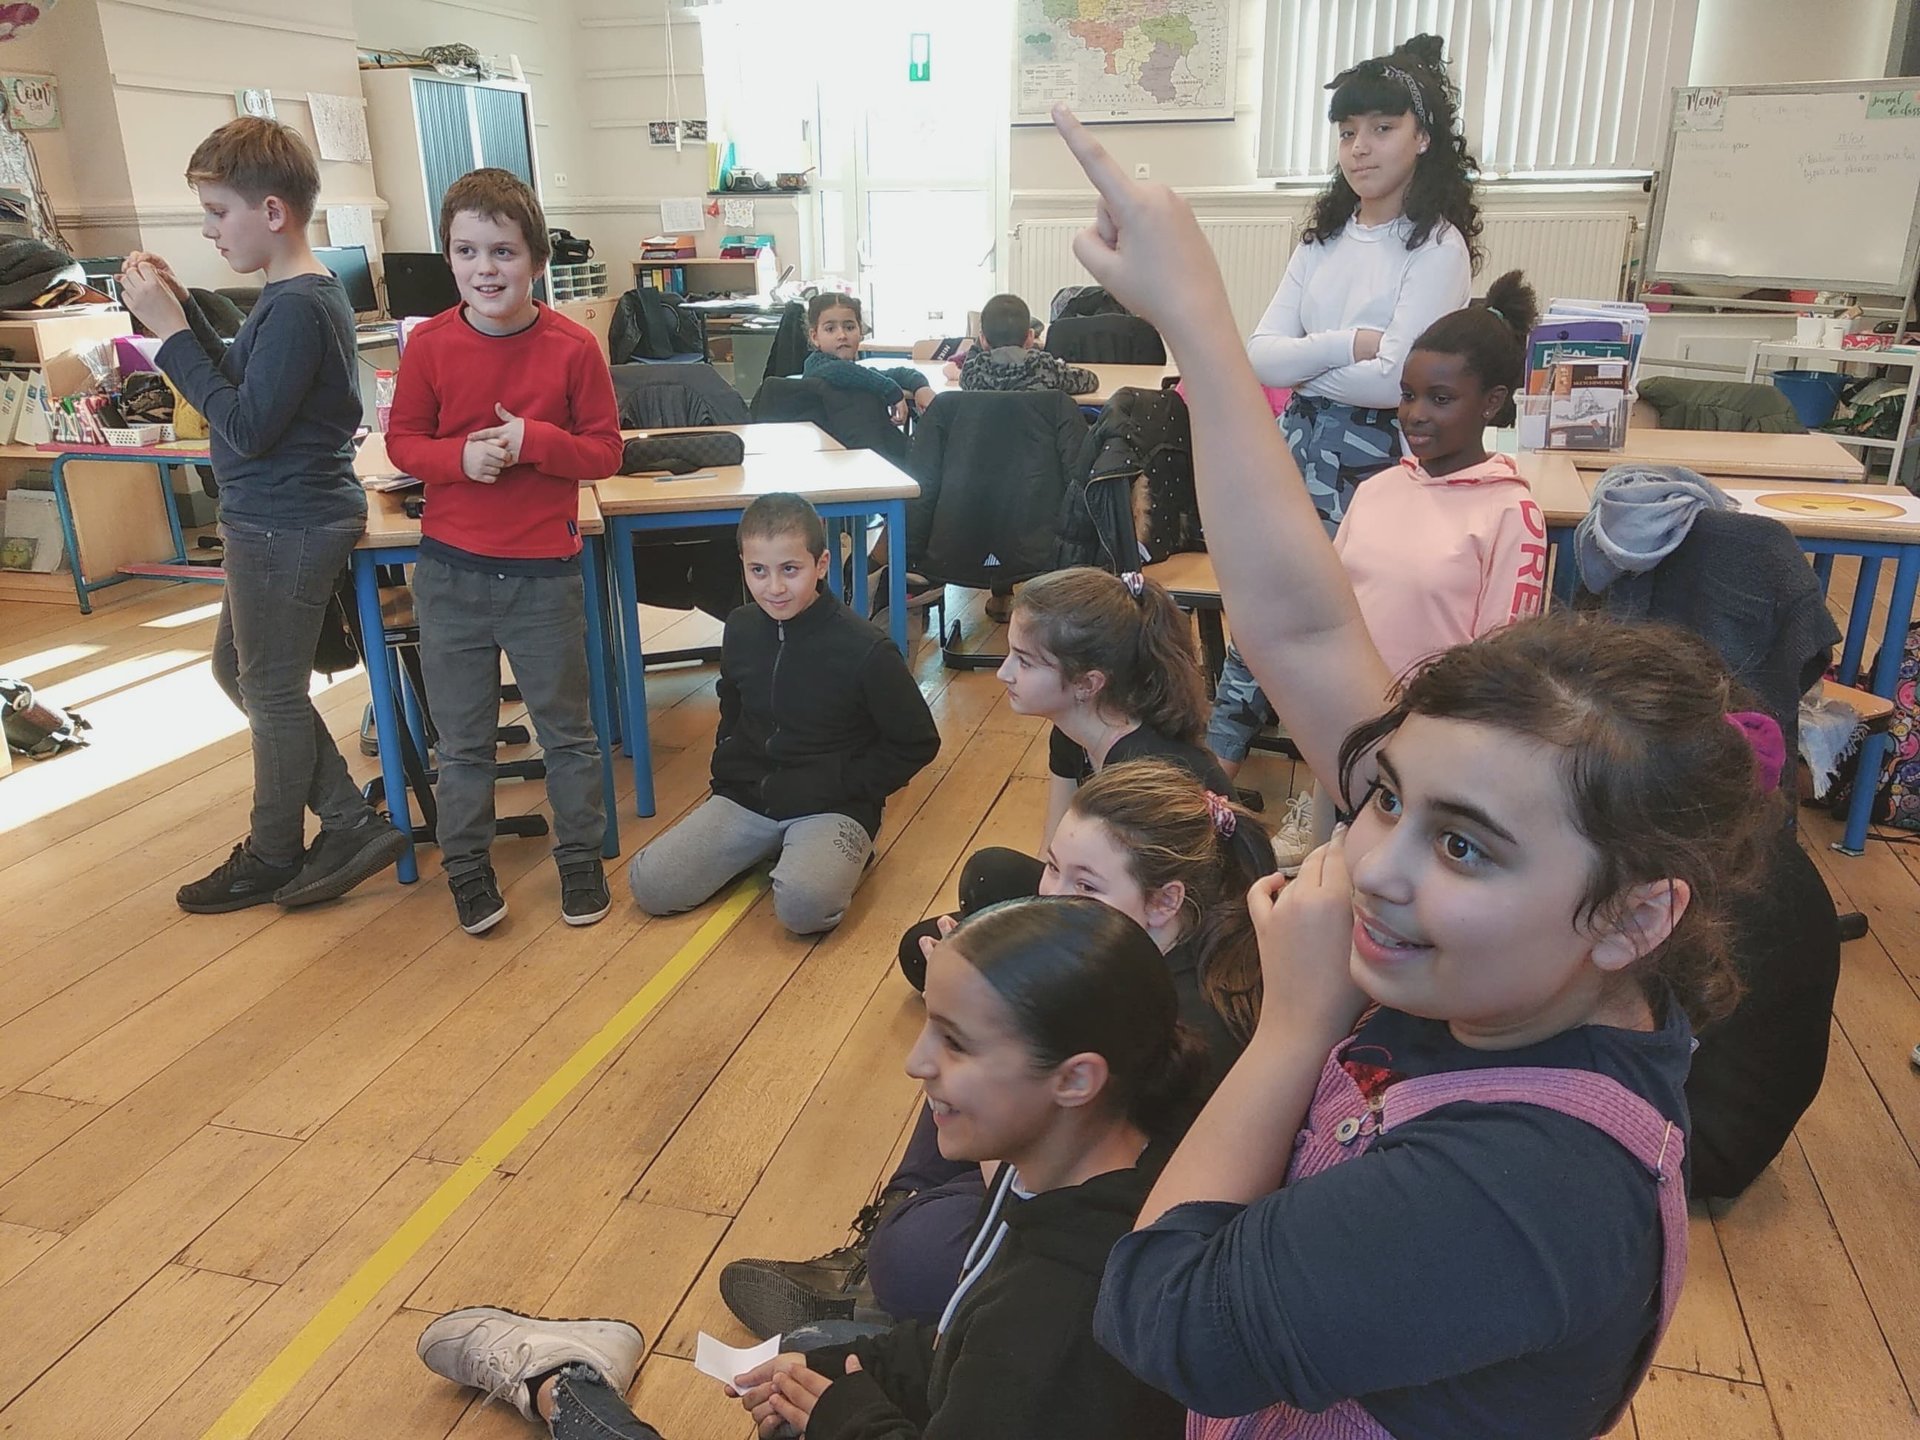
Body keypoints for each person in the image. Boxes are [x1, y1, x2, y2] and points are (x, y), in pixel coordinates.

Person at [1052, 105, 1780, 1438]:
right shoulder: (1534, 953)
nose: (1371, 861)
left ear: (1636, 914)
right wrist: (1195, 320)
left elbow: (1168, 1320)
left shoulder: (1527, 1188)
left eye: (1461, 844)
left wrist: (1295, 1026)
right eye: (1386, 797)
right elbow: (1299, 625)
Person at [417, 895, 1200, 1440]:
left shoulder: (1054, 1324)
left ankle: (566, 1385)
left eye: (956, 1042)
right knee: (811, 1350)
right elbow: (961, 1342)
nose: (916, 1062)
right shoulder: (1095, 1177)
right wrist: (854, 1371)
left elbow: (1002, 1355)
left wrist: (843, 1415)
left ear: (1076, 1079)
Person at [722, 758, 1270, 1338]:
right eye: (1053, 867)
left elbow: (1052, 1192)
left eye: (1086, 886)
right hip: (1059, 1161)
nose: (1053, 894)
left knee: (913, 1248)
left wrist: (979, 1014)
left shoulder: (1171, 1022)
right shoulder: (1155, 952)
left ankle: (891, 1288)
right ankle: (893, 1228)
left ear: (1164, 902)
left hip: (1096, 1244)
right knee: (963, 1039)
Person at [117, 117, 407, 915]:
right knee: (238, 672)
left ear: (272, 212)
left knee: (271, 690)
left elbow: (244, 426)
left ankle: (275, 852)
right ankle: (347, 821)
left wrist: (171, 336)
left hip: (287, 521)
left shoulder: (300, 305)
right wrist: (186, 314)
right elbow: (248, 387)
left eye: (218, 213)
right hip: (275, 517)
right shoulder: (290, 299)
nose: (210, 231)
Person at [1208, 33, 1480, 865]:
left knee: (1338, 627)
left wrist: (1321, 358)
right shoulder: (1322, 239)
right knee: (1262, 607)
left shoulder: (1436, 246)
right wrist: (1349, 343)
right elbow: (1259, 356)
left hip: (1377, 460)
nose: (1360, 148)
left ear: (1422, 136)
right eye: (1348, 131)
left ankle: (1329, 795)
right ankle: (1211, 779)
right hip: (1296, 441)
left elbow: (1400, 380)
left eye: (1382, 129)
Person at [384, 168, 623, 936]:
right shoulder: (429, 345)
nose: (484, 268)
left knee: (567, 734)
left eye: (503, 251)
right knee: (463, 743)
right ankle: (467, 867)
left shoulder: (573, 347)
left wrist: (534, 441)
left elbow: (605, 451)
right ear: (449, 258)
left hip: (543, 577)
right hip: (451, 574)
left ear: (537, 260)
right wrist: (459, 459)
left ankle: (579, 858)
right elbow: (404, 442)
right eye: (466, 251)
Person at [895, 564, 1225, 988]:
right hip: (1103, 902)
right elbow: (1055, 854)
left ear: (1088, 683)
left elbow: (1139, 922)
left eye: (1025, 661)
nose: (1004, 673)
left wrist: (999, 965)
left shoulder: (1143, 770)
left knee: (948, 961)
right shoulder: (1076, 729)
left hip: (1164, 951)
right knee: (981, 880)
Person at [627, 493, 940, 935]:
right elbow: (731, 702)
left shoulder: (866, 648)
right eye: (759, 570)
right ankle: (773, 847)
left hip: (830, 805)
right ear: (743, 565)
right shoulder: (740, 627)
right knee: (651, 885)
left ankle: (834, 851)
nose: (774, 587)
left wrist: (851, 786)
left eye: (790, 569)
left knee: (804, 909)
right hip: (748, 798)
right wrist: (728, 768)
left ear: (821, 563)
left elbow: (917, 741)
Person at [802, 292, 936, 426]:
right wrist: (892, 391)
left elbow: (898, 374)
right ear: (815, 337)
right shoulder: (817, 366)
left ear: (860, 332)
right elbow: (839, 370)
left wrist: (920, 387)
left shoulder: (860, 375)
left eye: (849, 328)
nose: (842, 335)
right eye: (830, 329)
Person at [955, 293, 1098, 395]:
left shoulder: (974, 373)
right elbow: (1091, 381)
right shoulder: (1044, 367)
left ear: (982, 340)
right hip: (1037, 430)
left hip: (987, 431)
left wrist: (978, 345)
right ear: (1030, 337)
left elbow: (968, 364)